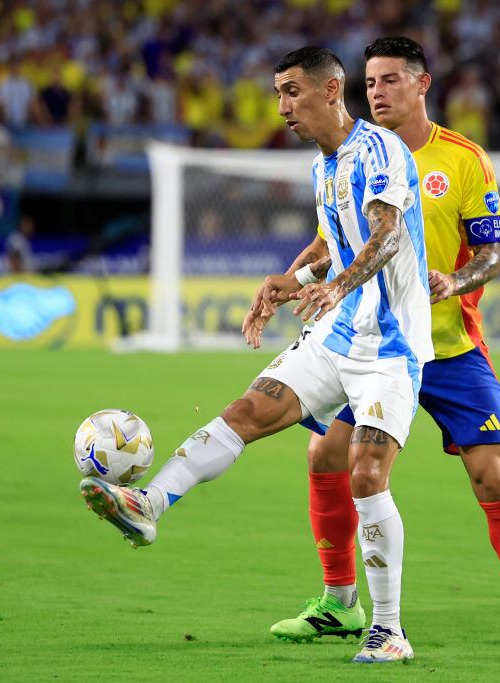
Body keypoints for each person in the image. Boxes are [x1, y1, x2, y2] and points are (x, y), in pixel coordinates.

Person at [81, 46, 431, 664]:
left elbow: (386, 234)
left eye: (292, 91)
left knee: (367, 474)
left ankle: (388, 630)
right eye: (278, 94)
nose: (282, 107)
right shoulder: (322, 166)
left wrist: (335, 285)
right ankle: (148, 504)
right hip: (338, 329)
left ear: (331, 90)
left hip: (391, 343)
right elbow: (333, 237)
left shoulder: (377, 149)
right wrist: (289, 280)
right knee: (248, 410)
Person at [244, 36, 500, 649]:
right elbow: (331, 240)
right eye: (370, 82)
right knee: (325, 458)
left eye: (389, 80)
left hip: (450, 346)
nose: (377, 92)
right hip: (373, 344)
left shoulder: (464, 160)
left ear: (421, 84)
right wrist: (295, 278)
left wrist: (454, 281)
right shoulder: (353, 154)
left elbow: (492, 253)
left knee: (492, 478)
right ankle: (340, 603)